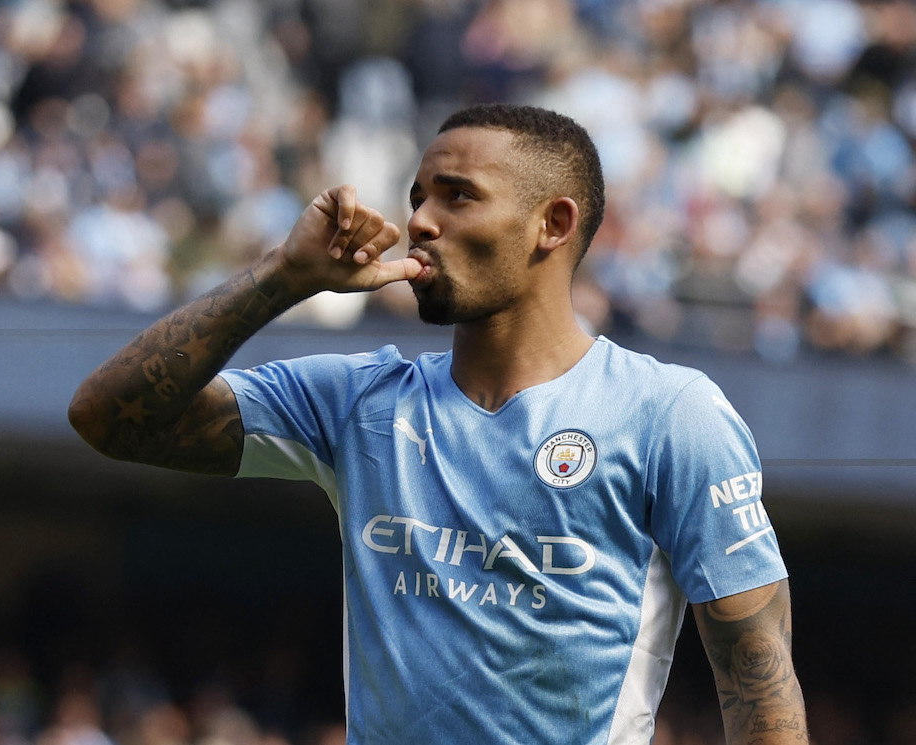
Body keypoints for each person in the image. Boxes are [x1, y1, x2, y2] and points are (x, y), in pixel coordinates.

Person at [69, 104, 809, 743]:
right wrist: (282, 278)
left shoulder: (668, 414)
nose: (418, 221)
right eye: (418, 195)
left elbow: (757, 670)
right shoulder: (360, 401)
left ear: (551, 224)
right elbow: (110, 417)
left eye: (458, 197)